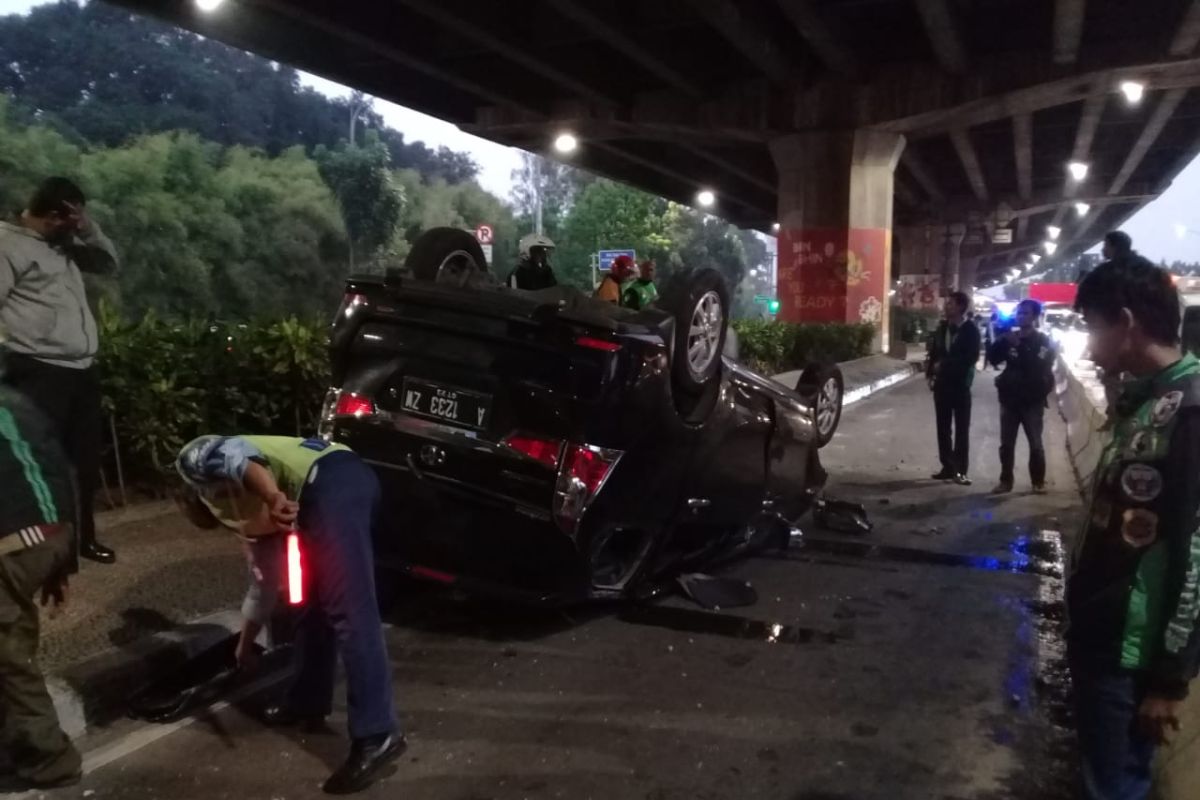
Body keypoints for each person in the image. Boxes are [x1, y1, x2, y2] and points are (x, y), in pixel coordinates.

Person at [175, 435, 403, 795]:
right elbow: (262, 586)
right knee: (309, 605)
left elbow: (239, 458)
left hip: (331, 482)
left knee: (350, 611)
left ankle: (378, 734)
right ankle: (307, 701)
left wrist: (273, 497)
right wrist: (245, 644)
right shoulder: (240, 508)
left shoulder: (194, 461)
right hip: (324, 490)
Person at [1068, 256, 1200, 800]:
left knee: (1116, 785)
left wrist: (1171, 679)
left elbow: (1195, 551)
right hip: (1104, 635)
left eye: (1091, 327)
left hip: (1132, 654)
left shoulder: (1191, 414)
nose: (1086, 345)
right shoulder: (1149, 397)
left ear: (1125, 323)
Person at [0, 178, 118, 565]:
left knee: (83, 464)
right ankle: (53, 554)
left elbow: (108, 264)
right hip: (37, 369)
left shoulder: (64, 243)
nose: (75, 226)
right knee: (44, 464)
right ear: (53, 216)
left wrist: (87, 229)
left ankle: (83, 539)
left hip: (80, 369)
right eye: (70, 219)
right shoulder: (7, 243)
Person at [0, 355, 81, 789]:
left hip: (14, 541)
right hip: (50, 537)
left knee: (9, 657)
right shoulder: (21, 403)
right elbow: (64, 473)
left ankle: (50, 759)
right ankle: (16, 745)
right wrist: (60, 566)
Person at [987, 299, 1056, 494]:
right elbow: (994, 359)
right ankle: (1005, 480)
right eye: (1019, 313)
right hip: (1009, 399)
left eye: (1026, 313)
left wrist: (1018, 345)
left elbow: (1037, 367)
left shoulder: (1043, 341)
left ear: (1034, 317)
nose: (1021, 316)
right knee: (1006, 444)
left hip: (1032, 401)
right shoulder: (1010, 339)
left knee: (1035, 443)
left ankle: (1038, 482)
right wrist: (1000, 339)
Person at [926, 291, 979, 485]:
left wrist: (945, 365)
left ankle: (961, 470)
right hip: (942, 386)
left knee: (962, 429)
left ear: (960, 307)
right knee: (943, 428)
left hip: (960, 386)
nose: (946, 306)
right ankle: (947, 466)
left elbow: (970, 358)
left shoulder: (970, 330)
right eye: (946, 303)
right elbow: (934, 353)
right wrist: (931, 373)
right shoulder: (942, 329)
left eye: (950, 304)